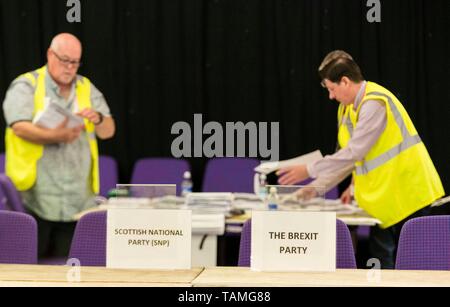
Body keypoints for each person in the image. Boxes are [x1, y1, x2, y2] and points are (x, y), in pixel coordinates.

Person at [277, 50, 445, 269]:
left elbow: (354, 152)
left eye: (332, 89)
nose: (331, 96)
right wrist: (314, 189)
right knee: (383, 261)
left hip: (410, 193)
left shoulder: (375, 102)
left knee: (413, 265)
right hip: (385, 200)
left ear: (345, 81)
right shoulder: (345, 110)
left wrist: (309, 169)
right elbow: (347, 160)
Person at [3, 33, 115, 259]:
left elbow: (109, 131)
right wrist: (57, 135)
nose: (70, 67)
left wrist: (98, 119)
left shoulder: (86, 87)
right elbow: (19, 127)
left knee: (72, 271)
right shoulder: (26, 85)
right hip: (35, 199)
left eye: (75, 62)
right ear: (49, 55)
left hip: (78, 201)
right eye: (64, 60)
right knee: (30, 272)